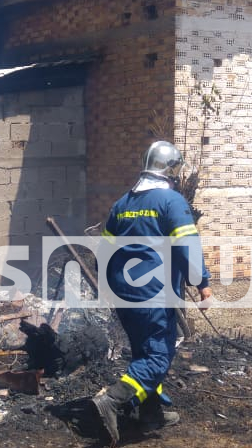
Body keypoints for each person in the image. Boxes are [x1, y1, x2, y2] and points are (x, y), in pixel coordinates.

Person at [90, 141, 212, 444]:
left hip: (123, 294)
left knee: (144, 352)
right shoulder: (171, 202)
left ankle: (151, 413)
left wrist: (106, 285)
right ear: (171, 171)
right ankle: (112, 400)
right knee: (158, 356)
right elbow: (187, 247)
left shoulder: (122, 203)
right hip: (153, 293)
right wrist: (202, 284)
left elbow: (103, 252)